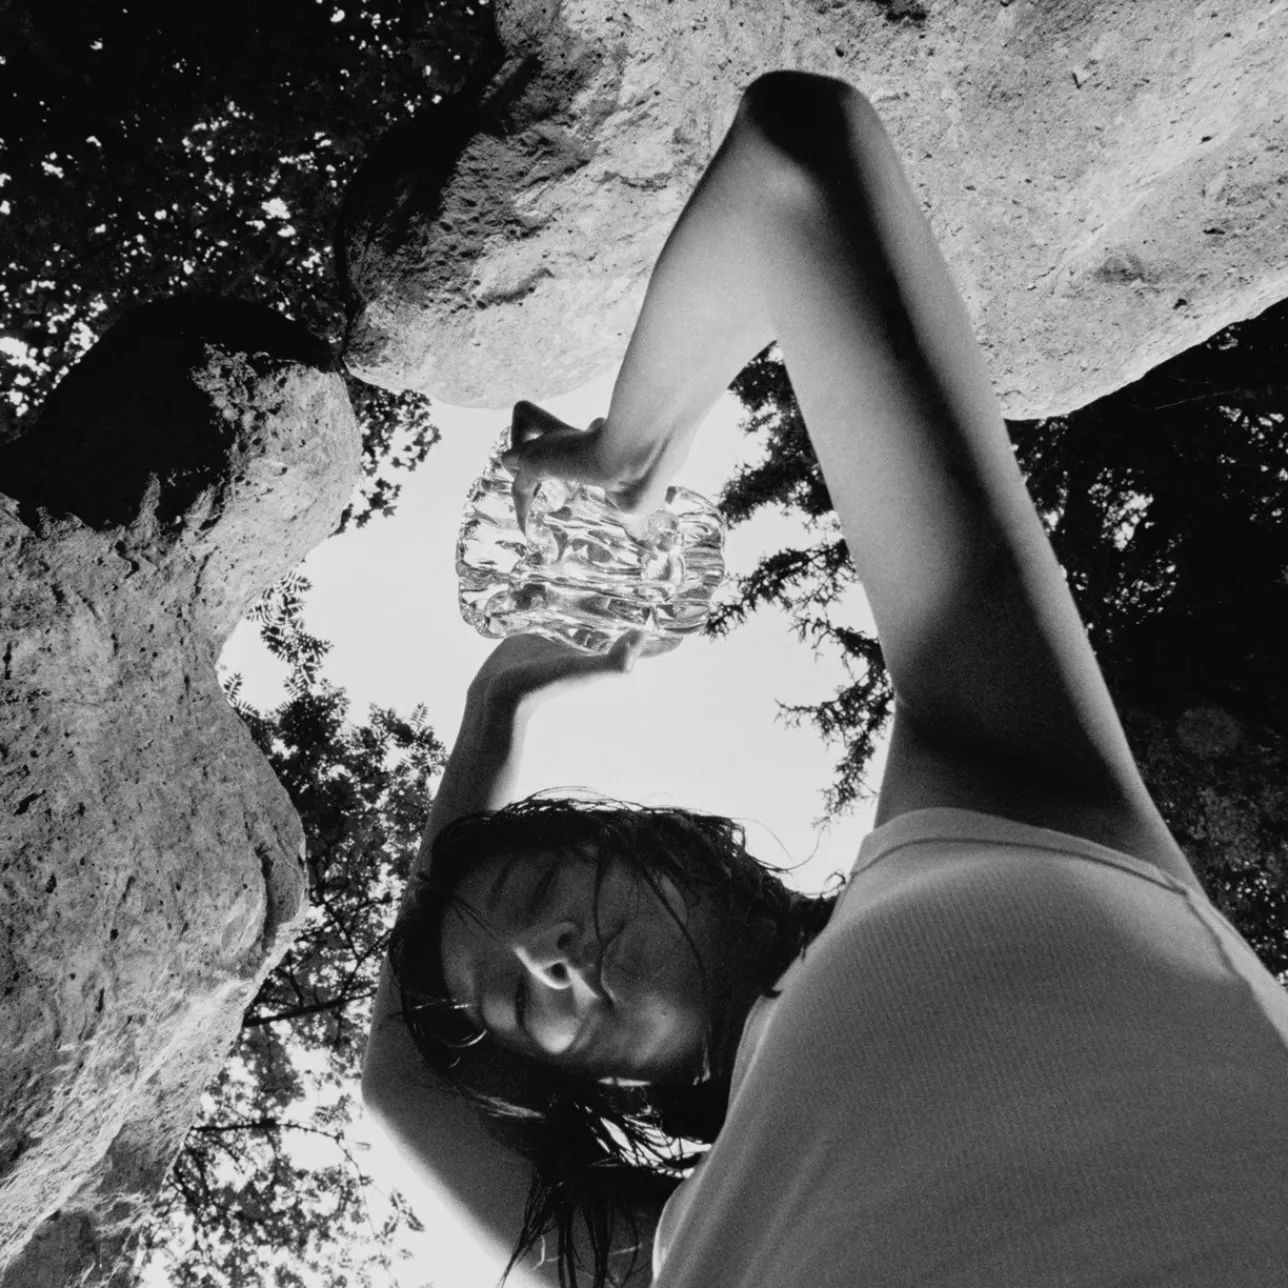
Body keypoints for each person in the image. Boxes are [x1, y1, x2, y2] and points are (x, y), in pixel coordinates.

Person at [363, 71, 1288, 1288]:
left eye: (541, 890)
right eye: (512, 999)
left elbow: (792, 159)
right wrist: (486, 726)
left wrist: (629, 456)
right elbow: (401, 1079)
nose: (546, 956)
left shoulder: (984, 802)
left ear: (671, 845)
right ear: (581, 1086)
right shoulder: (658, 1247)